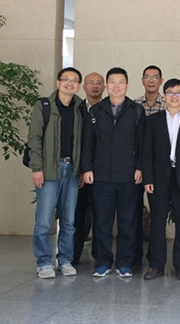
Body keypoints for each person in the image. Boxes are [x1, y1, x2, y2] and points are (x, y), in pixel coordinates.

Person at [81, 67, 146, 278]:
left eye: (121, 82)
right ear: (107, 86)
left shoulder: (137, 111)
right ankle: (103, 261)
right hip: (101, 176)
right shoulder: (95, 111)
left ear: (127, 85)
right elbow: (88, 144)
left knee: (128, 222)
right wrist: (87, 168)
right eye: (112, 82)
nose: (116, 86)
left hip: (129, 176)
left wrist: (140, 167)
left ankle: (124, 262)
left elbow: (142, 144)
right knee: (102, 222)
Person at [142, 79, 180, 281]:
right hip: (159, 176)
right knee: (157, 222)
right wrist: (148, 178)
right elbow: (146, 151)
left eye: (178, 93)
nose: (174, 96)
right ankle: (156, 265)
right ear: (164, 95)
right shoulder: (153, 120)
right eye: (170, 92)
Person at [27, 67, 84, 278]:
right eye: (65, 79)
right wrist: (37, 168)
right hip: (49, 168)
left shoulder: (80, 107)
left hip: (73, 170)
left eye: (74, 80)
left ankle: (65, 260)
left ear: (79, 85)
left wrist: (81, 169)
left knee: (69, 220)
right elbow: (34, 138)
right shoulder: (43, 106)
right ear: (58, 82)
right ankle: (43, 262)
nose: (70, 83)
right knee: (44, 220)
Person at [133, 65, 166, 264]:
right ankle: (135, 254)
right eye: (147, 77)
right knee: (134, 211)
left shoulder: (169, 103)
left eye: (155, 77)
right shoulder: (134, 105)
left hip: (159, 167)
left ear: (161, 81)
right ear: (142, 80)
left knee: (158, 214)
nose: (151, 80)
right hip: (135, 165)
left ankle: (155, 256)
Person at [73, 72, 104, 265]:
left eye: (99, 83)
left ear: (104, 87)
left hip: (101, 171)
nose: (95, 86)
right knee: (77, 213)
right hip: (79, 171)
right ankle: (73, 254)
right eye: (91, 83)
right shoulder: (76, 108)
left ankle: (99, 254)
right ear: (84, 87)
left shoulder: (107, 109)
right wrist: (82, 169)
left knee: (101, 215)